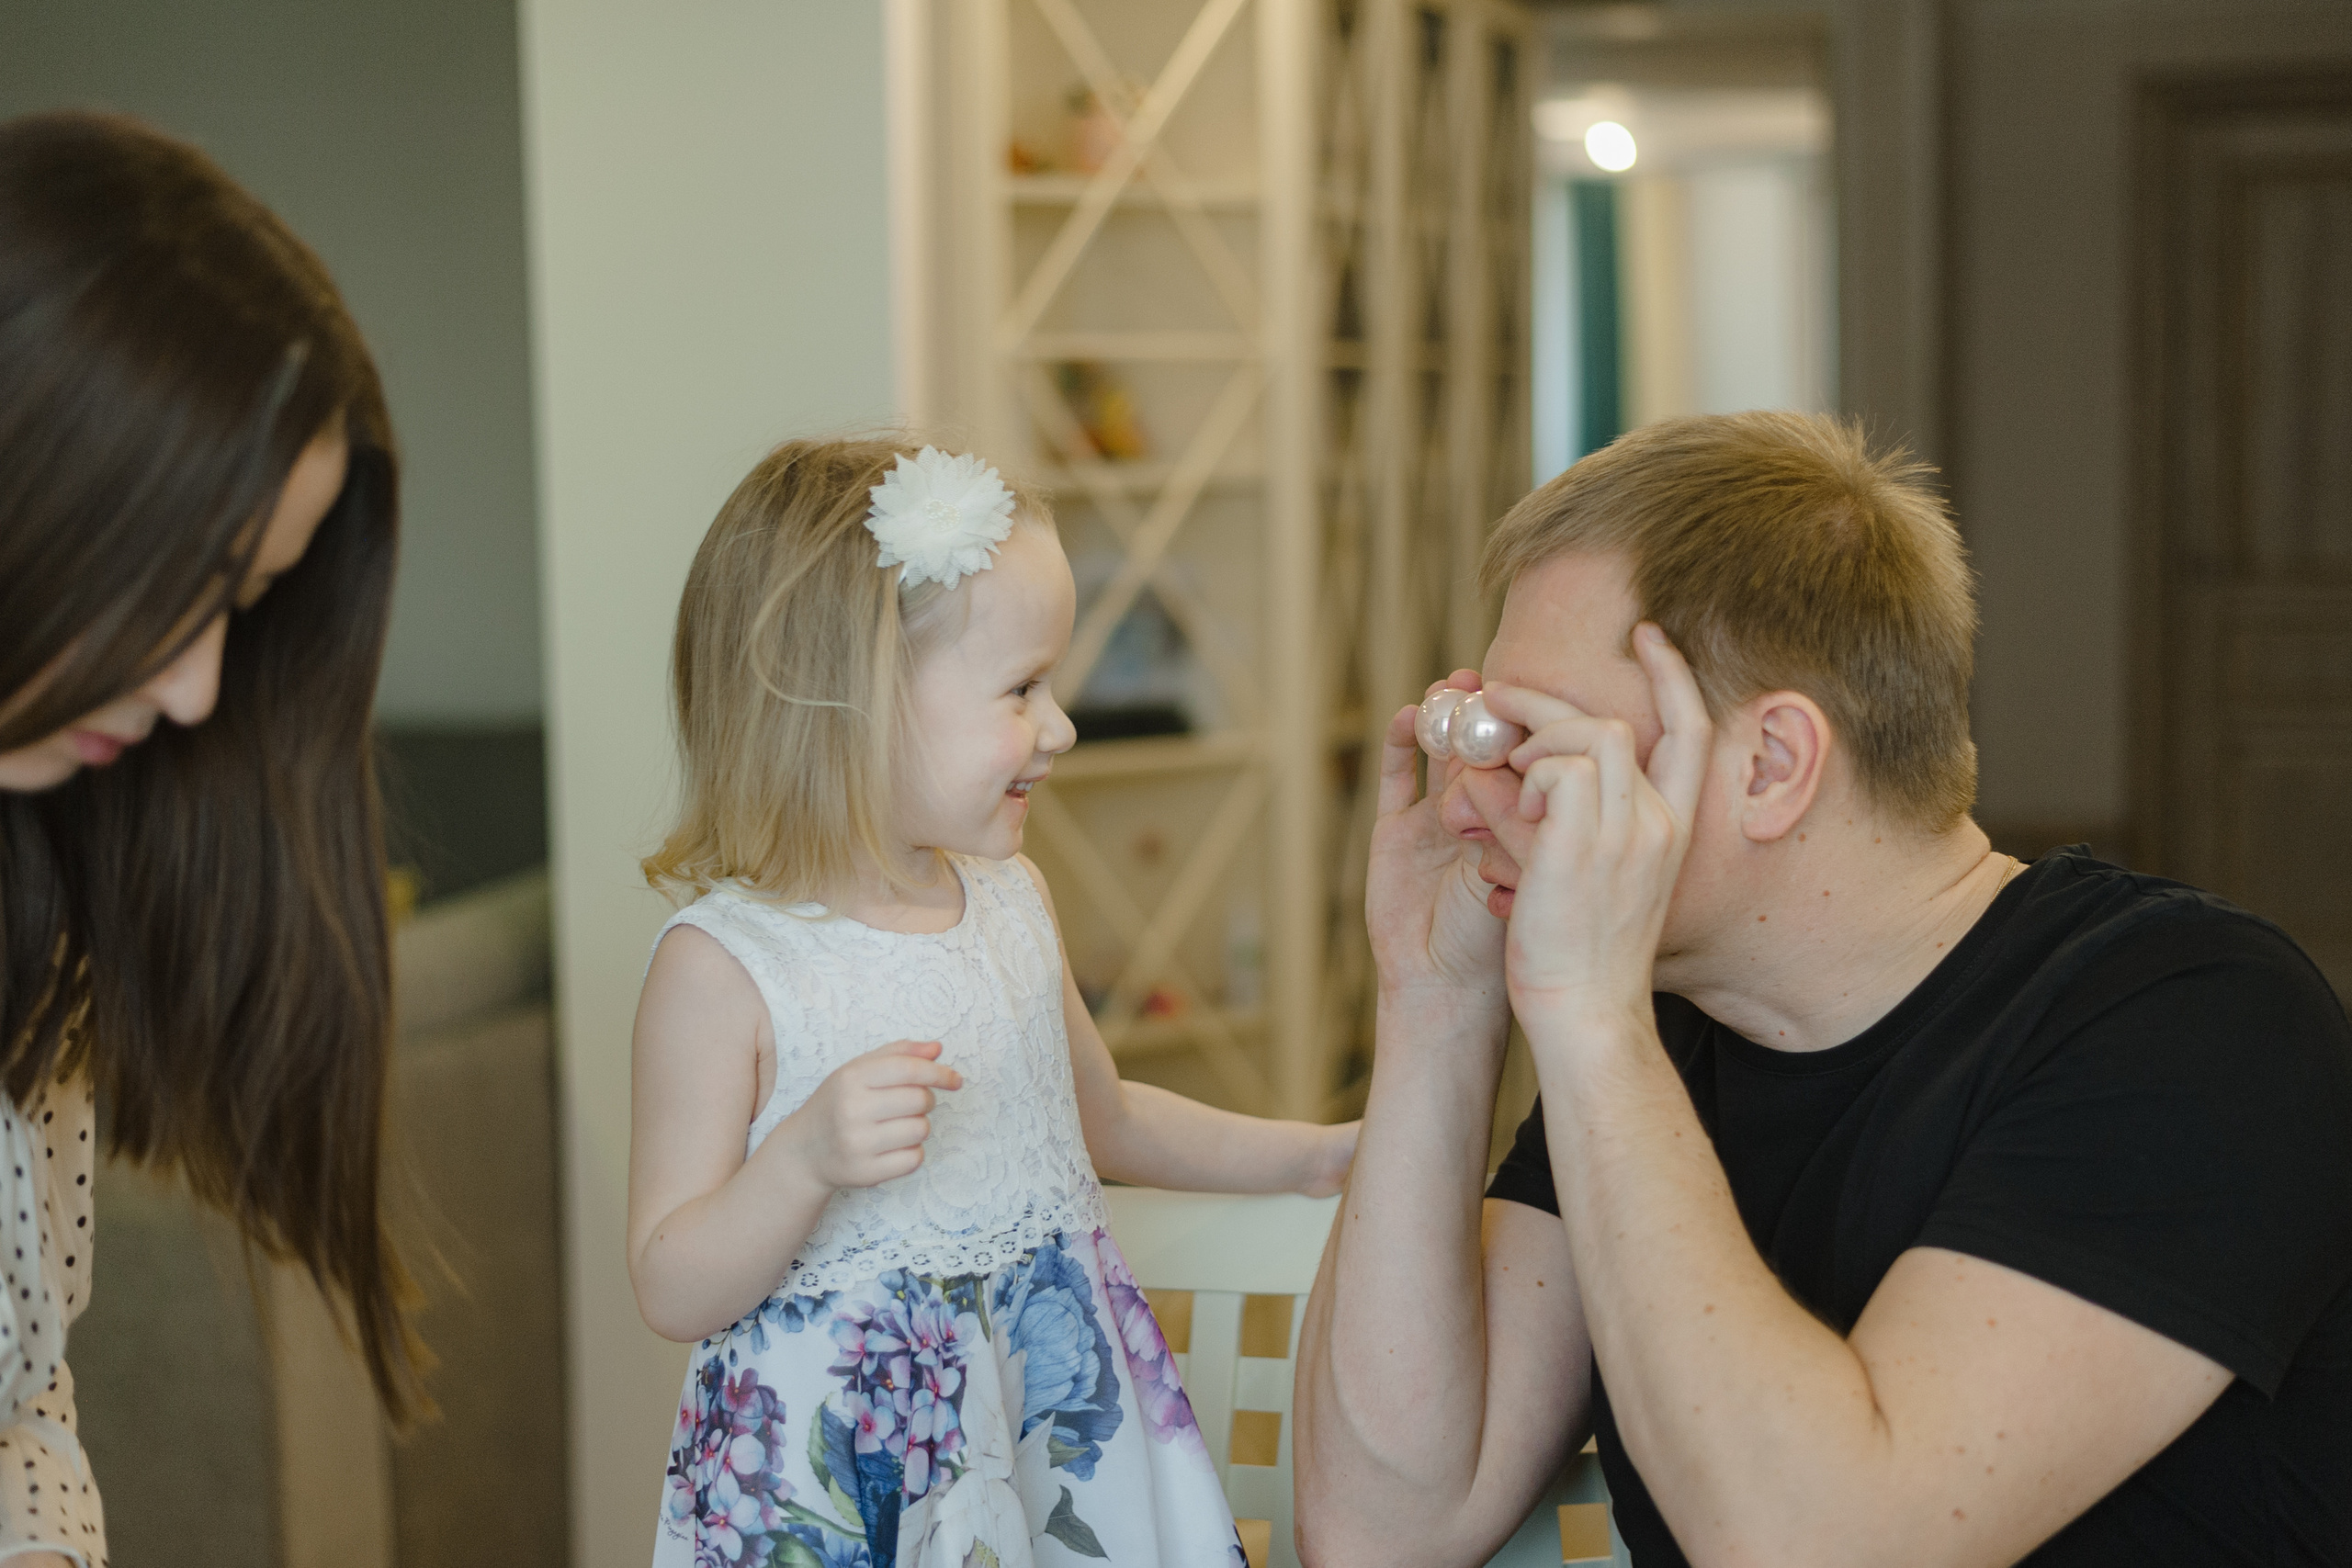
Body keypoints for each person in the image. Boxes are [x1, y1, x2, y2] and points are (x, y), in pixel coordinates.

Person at [1295, 412, 2352, 1567]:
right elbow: (1381, 1531)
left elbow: (1817, 1547)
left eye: (1533, 744)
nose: (1462, 802)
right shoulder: (1659, 1050)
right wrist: (1434, 1000)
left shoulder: (2196, 1020)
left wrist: (1591, 1027)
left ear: (1770, 766)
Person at [628, 437, 1358, 1567]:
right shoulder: (725, 967)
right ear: (852, 705)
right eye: (1021, 689)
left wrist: (1311, 1157)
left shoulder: (1012, 903)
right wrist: (802, 1159)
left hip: (1042, 1434)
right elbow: (672, 1283)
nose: (1059, 727)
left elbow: (1111, 1119)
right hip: (853, 1478)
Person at [0, 111, 426, 1565]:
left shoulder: (37, 913)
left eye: (241, 606)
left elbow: (25, 1401)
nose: (194, 689)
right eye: (182, 580)